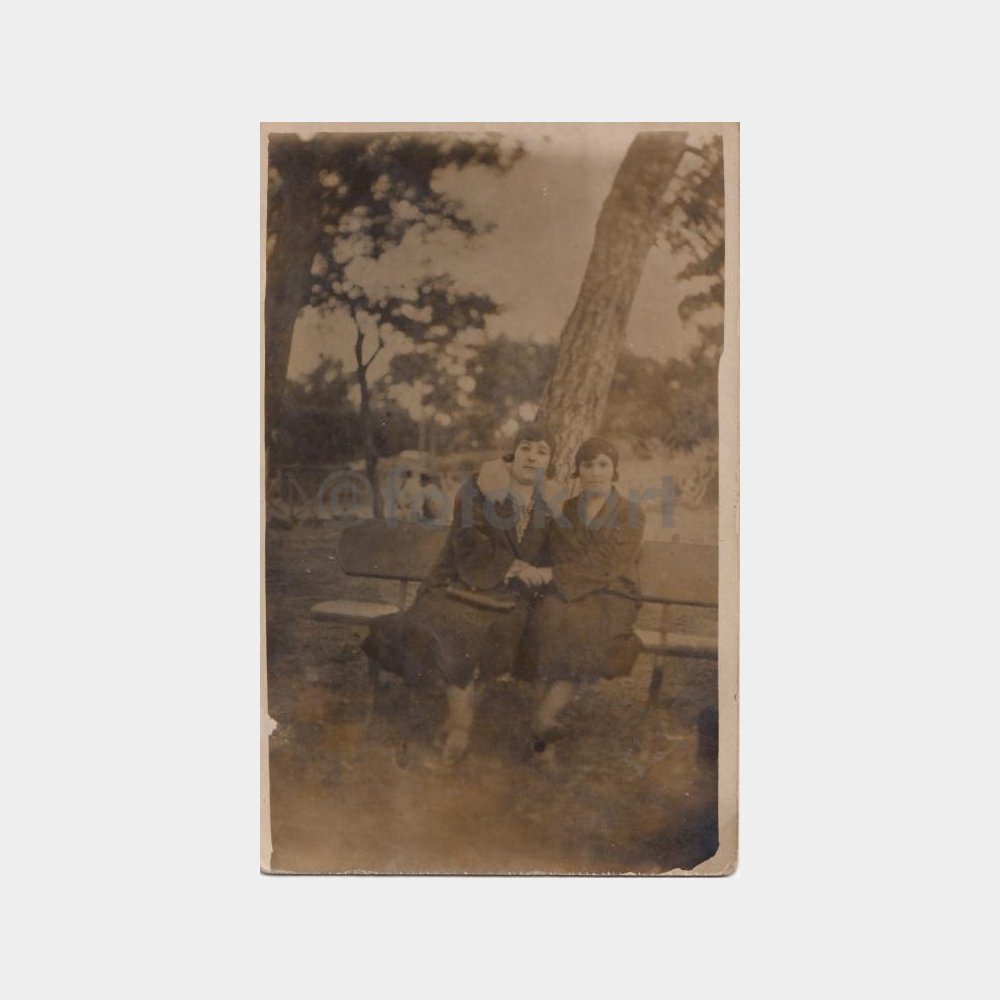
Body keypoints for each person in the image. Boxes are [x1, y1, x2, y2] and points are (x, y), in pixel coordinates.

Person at [362, 424, 559, 766]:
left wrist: (544, 572)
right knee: (455, 627)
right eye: (526, 448)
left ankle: (459, 721)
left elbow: (549, 554)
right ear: (513, 454)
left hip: (506, 596)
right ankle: (459, 727)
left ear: (549, 462)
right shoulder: (480, 489)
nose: (532, 457)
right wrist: (513, 567)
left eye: (542, 452)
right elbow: (468, 540)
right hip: (458, 583)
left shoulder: (546, 507)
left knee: (503, 631)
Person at [524, 437, 645, 755]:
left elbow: (609, 562)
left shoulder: (630, 513)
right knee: (546, 617)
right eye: (588, 465)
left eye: (603, 465)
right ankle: (543, 733)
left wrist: (556, 574)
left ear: (614, 470)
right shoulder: (566, 510)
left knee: (583, 627)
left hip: (612, 594)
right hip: (570, 590)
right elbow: (557, 552)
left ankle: (543, 718)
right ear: (578, 471)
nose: (596, 472)